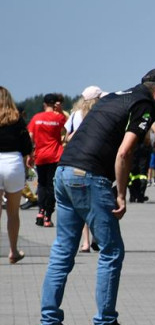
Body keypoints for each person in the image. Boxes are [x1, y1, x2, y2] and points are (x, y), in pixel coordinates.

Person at [35, 68, 155, 325]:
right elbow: (125, 152)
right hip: (89, 177)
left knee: (63, 250)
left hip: (64, 171)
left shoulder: (113, 97)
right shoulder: (144, 105)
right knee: (112, 251)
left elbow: (79, 135)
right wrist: (121, 194)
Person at [65, 86, 105, 252]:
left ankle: (86, 242)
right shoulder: (101, 115)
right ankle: (96, 237)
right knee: (97, 203)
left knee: (81, 204)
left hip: (76, 162)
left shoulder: (75, 115)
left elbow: (66, 137)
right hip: (96, 162)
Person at [0, 86, 33, 264]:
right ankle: (13, 251)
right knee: (13, 213)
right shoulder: (17, 119)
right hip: (13, 162)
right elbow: (27, 146)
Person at [28, 93, 67, 227]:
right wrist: (60, 111)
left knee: (42, 184)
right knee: (51, 185)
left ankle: (40, 211)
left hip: (40, 155)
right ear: (55, 104)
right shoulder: (59, 117)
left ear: (44, 104)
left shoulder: (36, 118)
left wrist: (30, 155)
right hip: (55, 155)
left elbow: (30, 137)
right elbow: (68, 126)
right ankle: (48, 217)